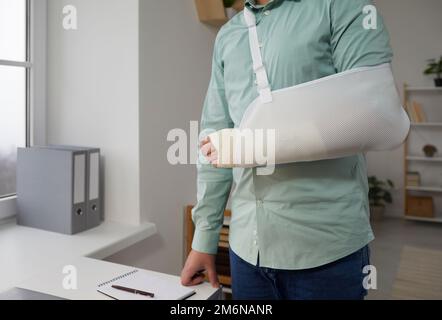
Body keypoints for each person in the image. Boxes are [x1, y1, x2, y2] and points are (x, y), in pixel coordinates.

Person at [181, 0, 391, 300]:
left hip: (324, 252)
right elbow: (213, 140)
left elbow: (374, 117)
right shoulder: (228, 36)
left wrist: (252, 145)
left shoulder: (340, 7)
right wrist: (203, 240)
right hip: (246, 253)